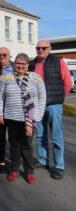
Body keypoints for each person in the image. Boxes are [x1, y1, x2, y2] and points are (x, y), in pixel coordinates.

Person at [0, 53, 46, 184]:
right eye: (18, 63)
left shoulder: (36, 78)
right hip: (12, 117)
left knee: (27, 146)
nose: (20, 66)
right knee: (14, 145)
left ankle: (29, 172)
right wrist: (0, 114)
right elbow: (0, 97)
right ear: (15, 64)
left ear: (27, 65)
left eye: (23, 64)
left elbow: (42, 98)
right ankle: (14, 170)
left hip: (29, 120)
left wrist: (38, 116)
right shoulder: (6, 77)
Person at [29, 40, 72, 180]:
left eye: (43, 48)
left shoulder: (58, 61)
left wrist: (60, 99)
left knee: (56, 135)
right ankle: (43, 160)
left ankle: (59, 165)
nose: (40, 50)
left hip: (54, 104)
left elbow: (67, 82)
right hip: (38, 106)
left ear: (50, 48)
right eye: (38, 48)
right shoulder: (32, 63)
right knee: (40, 134)